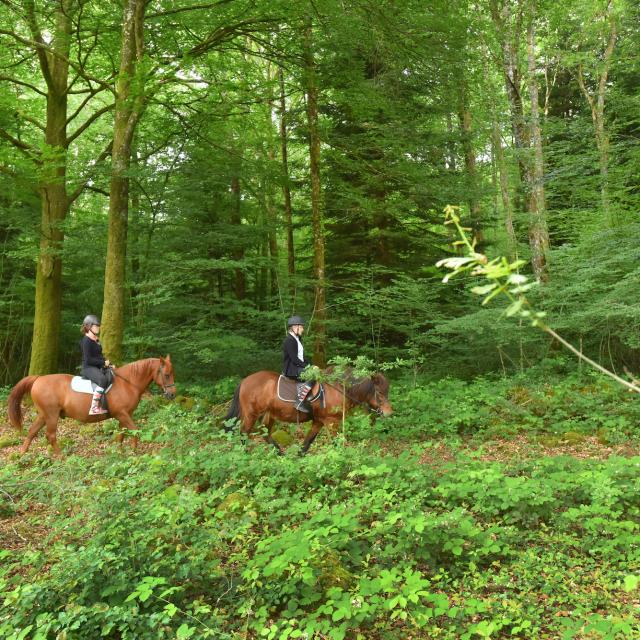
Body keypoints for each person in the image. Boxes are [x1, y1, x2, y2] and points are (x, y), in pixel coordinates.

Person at [79, 314, 111, 415]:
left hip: (96, 367)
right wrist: (102, 362)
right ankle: (94, 407)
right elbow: (88, 360)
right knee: (102, 380)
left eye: (98, 325)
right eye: (96, 326)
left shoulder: (95, 340)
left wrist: (109, 364)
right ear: (89, 326)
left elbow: (99, 356)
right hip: (88, 368)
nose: (99, 327)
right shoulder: (86, 341)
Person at [282, 315, 314, 412]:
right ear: (295, 327)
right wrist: (309, 368)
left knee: (314, 371)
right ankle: (299, 402)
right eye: (302, 327)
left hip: (297, 366)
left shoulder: (297, 339)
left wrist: (311, 365)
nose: (303, 329)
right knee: (312, 376)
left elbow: (301, 357)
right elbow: (294, 359)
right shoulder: (289, 341)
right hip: (292, 368)